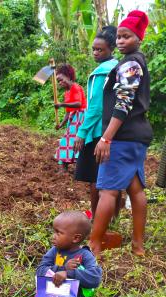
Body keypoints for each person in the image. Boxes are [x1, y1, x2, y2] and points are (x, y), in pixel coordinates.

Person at [90, 10, 152, 257]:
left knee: (108, 190)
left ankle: (93, 244)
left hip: (122, 136)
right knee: (135, 189)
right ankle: (137, 245)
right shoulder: (136, 61)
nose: (121, 40)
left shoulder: (129, 64)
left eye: (128, 36)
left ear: (139, 38)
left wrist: (106, 137)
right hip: (136, 136)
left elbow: (124, 102)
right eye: (120, 36)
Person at [74, 27, 119, 219]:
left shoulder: (102, 72)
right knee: (113, 178)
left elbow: (95, 107)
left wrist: (82, 132)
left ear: (111, 49)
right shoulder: (118, 67)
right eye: (93, 49)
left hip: (98, 132)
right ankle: (113, 217)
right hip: (113, 128)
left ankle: (96, 219)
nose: (95, 53)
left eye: (99, 50)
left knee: (95, 178)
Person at [53, 65, 87, 172]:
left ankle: (77, 168)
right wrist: (61, 124)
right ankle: (64, 167)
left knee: (74, 142)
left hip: (81, 118)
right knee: (67, 141)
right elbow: (68, 113)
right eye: (58, 81)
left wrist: (61, 104)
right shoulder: (66, 93)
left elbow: (78, 104)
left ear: (68, 76)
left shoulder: (76, 87)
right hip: (73, 119)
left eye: (61, 80)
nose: (60, 83)